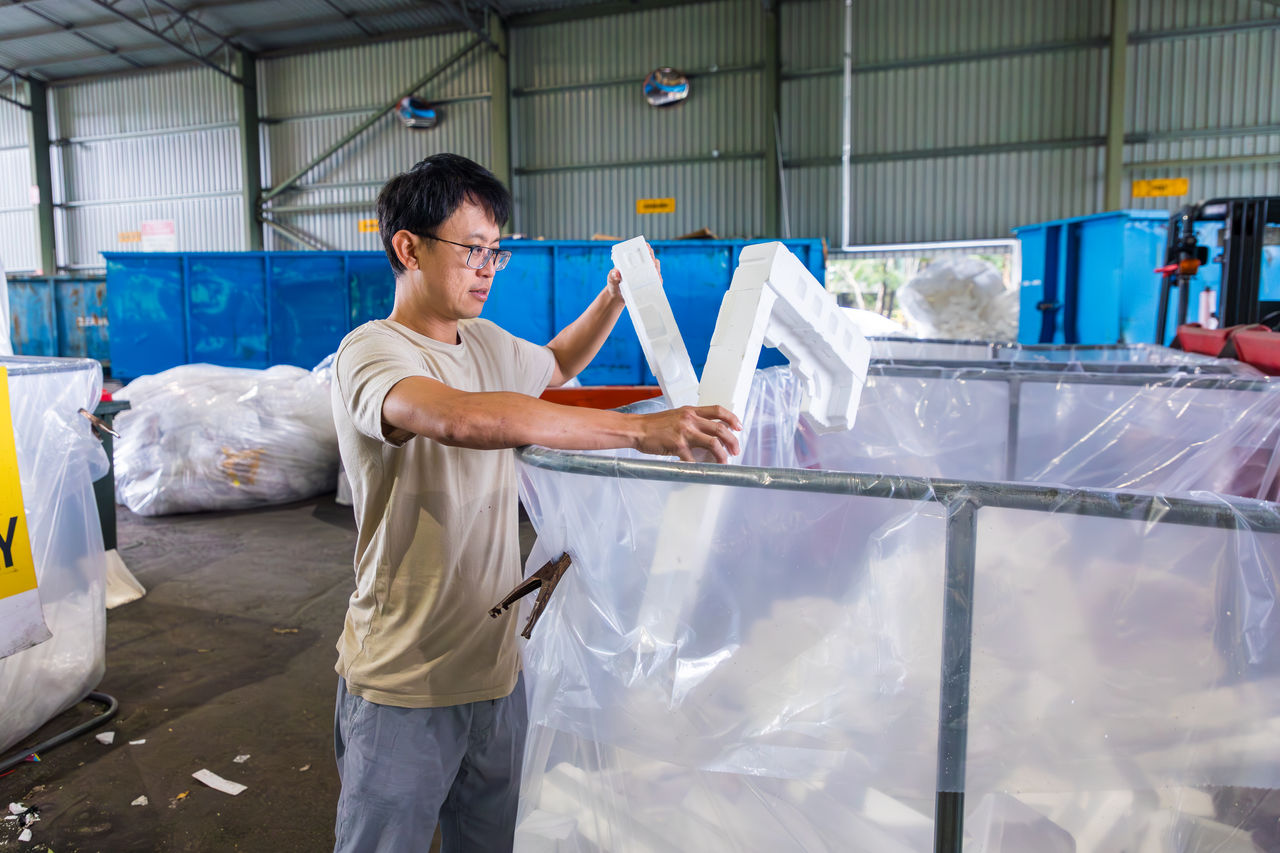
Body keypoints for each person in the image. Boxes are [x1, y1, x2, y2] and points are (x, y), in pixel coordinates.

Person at [330, 153, 741, 853]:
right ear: (408, 246)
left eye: (496, 252)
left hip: (497, 670)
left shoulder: (487, 342)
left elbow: (557, 363)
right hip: (405, 677)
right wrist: (642, 430)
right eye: (471, 250)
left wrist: (614, 296)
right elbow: (460, 418)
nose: (487, 267)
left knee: (490, 840)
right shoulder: (372, 353)